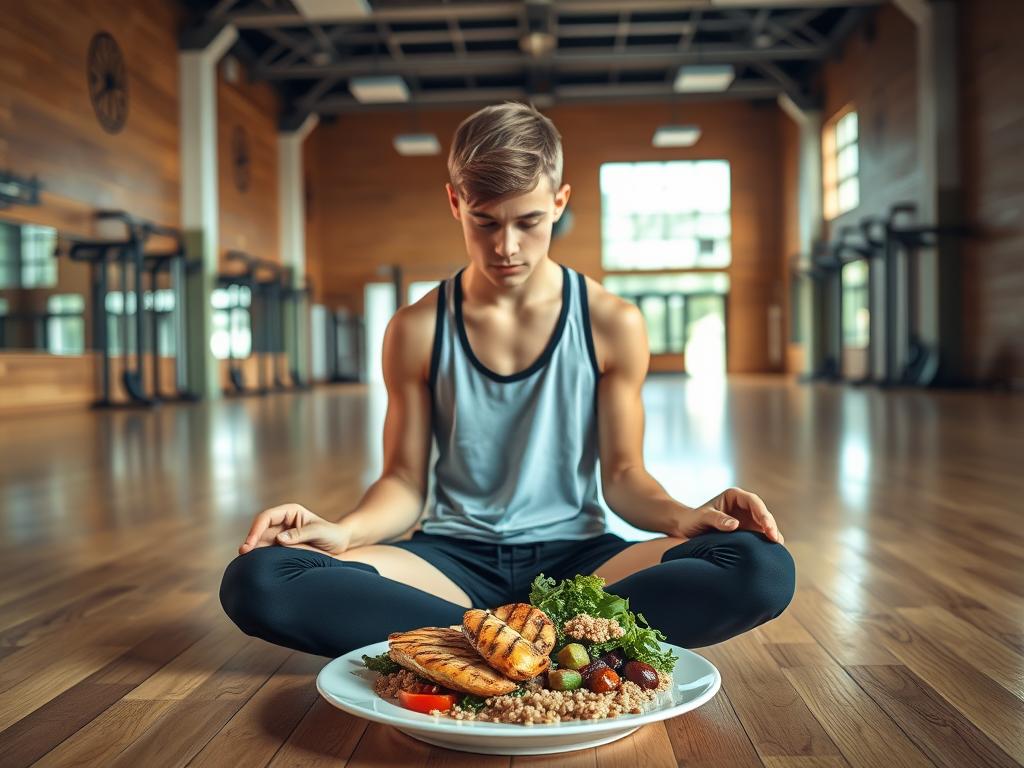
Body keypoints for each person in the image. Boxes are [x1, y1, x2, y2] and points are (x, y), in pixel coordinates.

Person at [220, 102, 795, 658]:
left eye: (530, 221)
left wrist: (681, 516)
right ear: (454, 202)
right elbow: (402, 481)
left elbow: (622, 477)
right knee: (261, 578)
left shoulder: (612, 322)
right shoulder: (416, 329)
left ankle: (476, 645)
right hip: (450, 559)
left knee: (761, 569)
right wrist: (343, 532)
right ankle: (553, 645)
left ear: (560, 201)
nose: (507, 246)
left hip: (581, 562)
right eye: (485, 222)